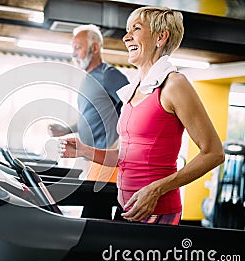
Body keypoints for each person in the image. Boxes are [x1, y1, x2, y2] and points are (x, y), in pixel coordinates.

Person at [60, 6, 225, 225]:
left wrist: (156, 189)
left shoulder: (174, 84)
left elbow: (214, 153)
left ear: (161, 37)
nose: (126, 37)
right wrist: (84, 150)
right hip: (126, 206)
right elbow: (127, 157)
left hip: (156, 210)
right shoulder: (136, 88)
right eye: (127, 31)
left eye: (135, 29)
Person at [48, 24, 129, 219]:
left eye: (78, 47)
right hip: (93, 159)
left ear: (94, 48)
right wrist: (66, 129)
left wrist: (123, 139)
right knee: (94, 213)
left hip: (108, 161)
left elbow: (134, 105)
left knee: (93, 215)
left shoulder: (108, 75)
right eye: (73, 49)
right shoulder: (88, 79)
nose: (74, 53)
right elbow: (91, 115)